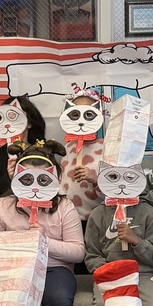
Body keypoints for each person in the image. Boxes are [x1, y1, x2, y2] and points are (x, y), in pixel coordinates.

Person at [0, 139, 84, 306]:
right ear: (16, 178)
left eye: (42, 179)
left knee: (59, 302)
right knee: (6, 304)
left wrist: (44, 242)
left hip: (55, 269)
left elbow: (78, 252)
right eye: (27, 179)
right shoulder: (3, 207)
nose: (35, 186)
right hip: (12, 268)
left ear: (54, 178)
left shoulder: (64, 207)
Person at [84, 169, 153, 306]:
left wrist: (136, 240)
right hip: (109, 276)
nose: (121, 184)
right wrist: (110, 272)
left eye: (129, 178)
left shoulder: (148, 213)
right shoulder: (98, 214)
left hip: (143, 274)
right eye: (114, 178)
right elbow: (91, 255)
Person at [0, 96, 45, 208]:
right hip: (5, 214)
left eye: (15, 118)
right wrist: (7, 177)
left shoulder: (43, 150)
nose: (8, 124)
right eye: (4, 119)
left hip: (39, 212)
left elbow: (54, 186)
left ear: (29, 123)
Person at [58, 87, 108, 221]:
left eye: (89, 114)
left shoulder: (107, 148)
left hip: (97, 220)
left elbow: (115, 190)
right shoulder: (67, 148)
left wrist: (95, 179)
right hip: (68, 220)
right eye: (75, 114)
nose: (81, 120)